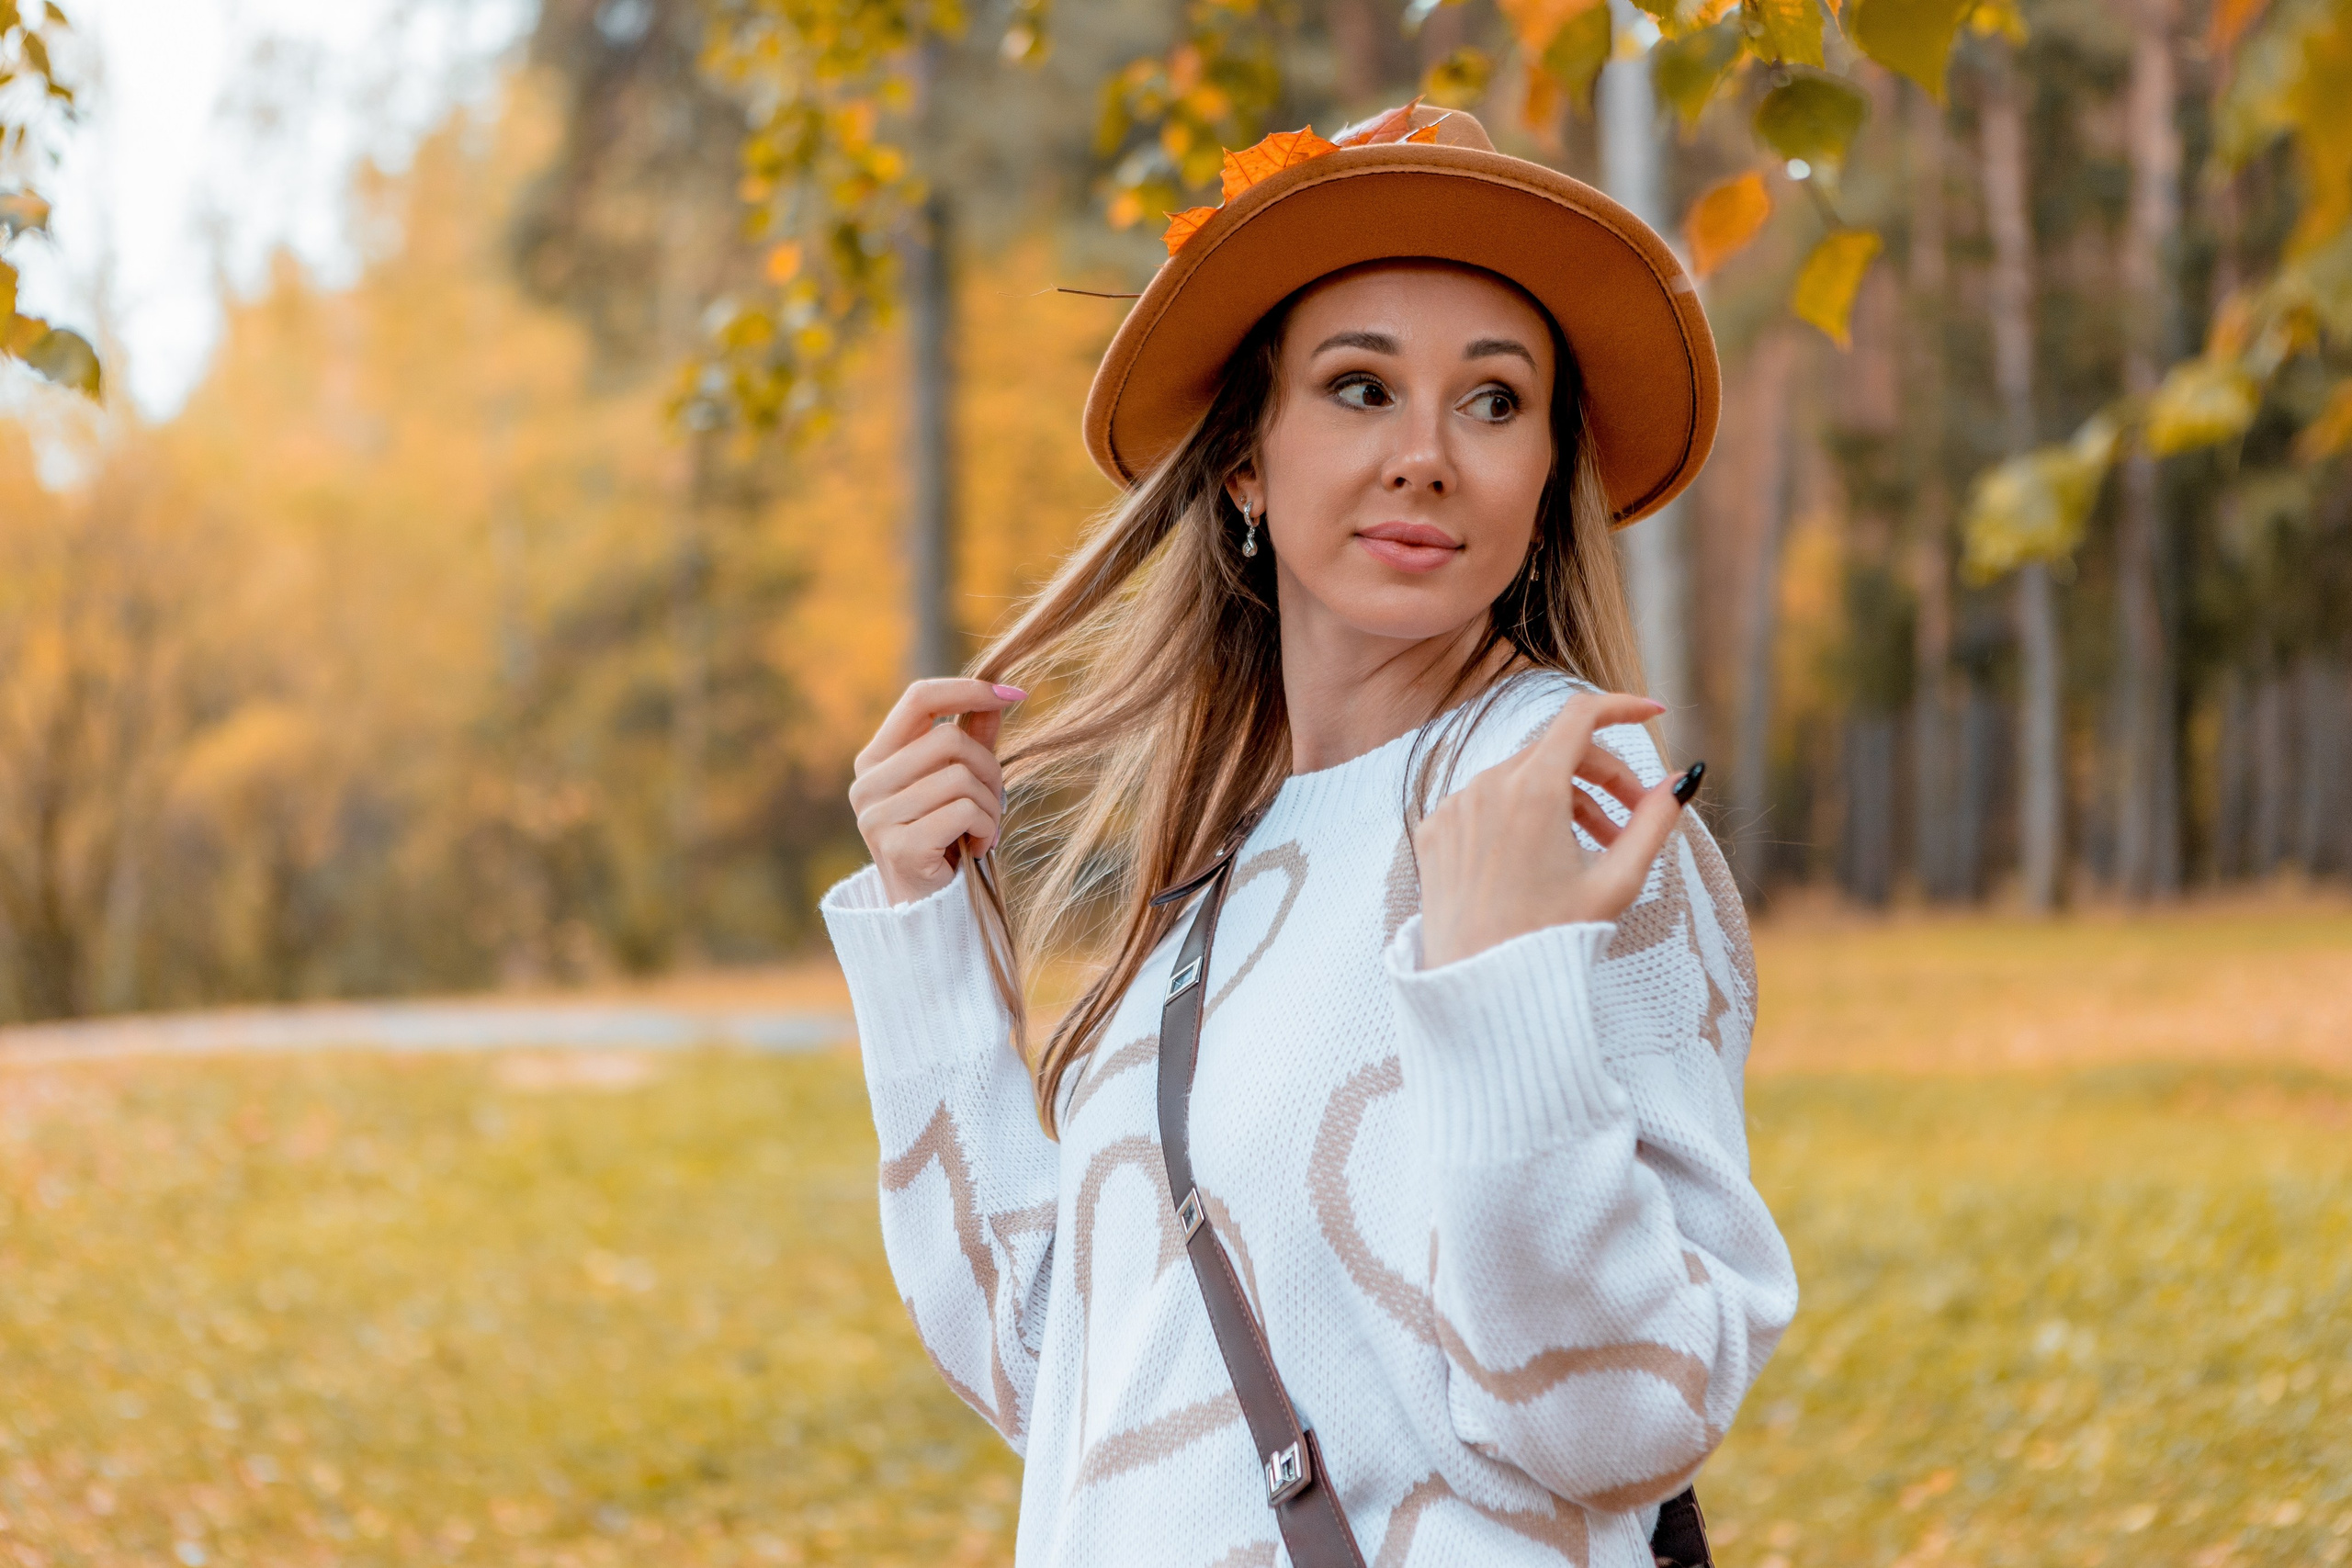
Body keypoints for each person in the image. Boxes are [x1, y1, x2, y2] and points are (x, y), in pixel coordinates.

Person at [821, 102, 1796, 1568]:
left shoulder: (1562, 795)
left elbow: (1619, 1421)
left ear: (1544, 477)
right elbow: (1058, 1368)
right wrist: (923, 939)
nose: (1425, 455)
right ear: (1244, 467)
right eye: (1358, 388)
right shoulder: (1221, 868)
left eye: (1492, 401)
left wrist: (1502, 996)